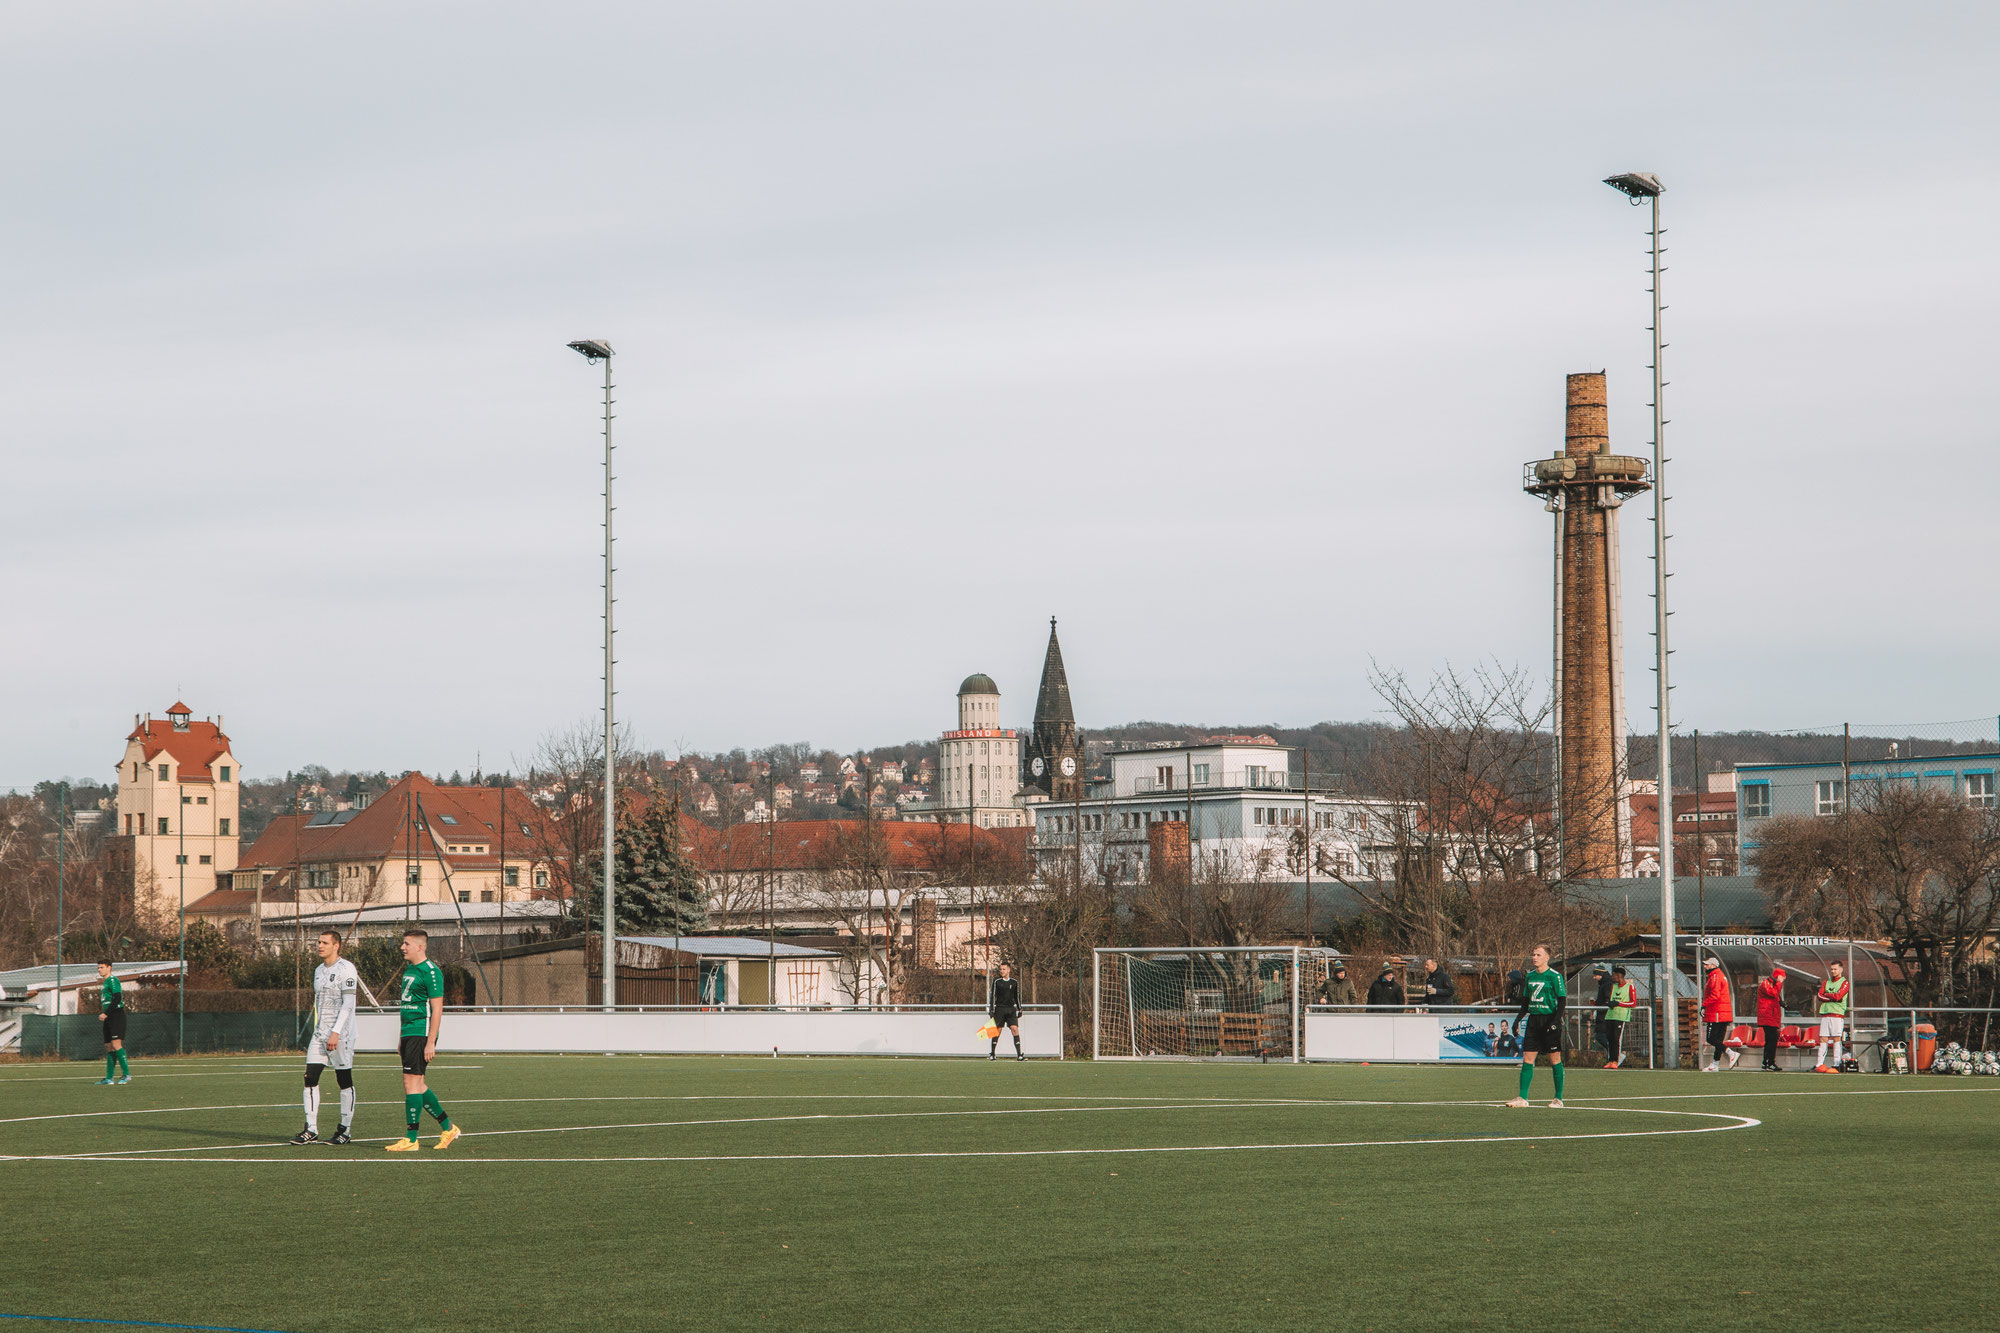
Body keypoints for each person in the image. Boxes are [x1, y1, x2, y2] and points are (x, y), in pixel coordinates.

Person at [388, 929, 460, 1152]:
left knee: (411, 1083)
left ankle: (411, 1139)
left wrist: (431, 1041)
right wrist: (401, 1036)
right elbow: (405, 1007)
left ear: (419, 947)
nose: (402, 947)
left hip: (421, 1032)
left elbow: (437, 1009)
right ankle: (449, 1128)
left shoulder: (431, 972)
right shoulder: (410, 969)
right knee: (417, 1084)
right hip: (409, 1033)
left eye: (406, 944)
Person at [292, 930, 359, 1146]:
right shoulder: (318, 970)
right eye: (319, 942)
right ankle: (311, 1129)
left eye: (325, 942)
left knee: (343, 1080)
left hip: (341, 1033)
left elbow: (348, 1004)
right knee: (310, 1077)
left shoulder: (346, 969)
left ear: (336, 946)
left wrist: (336, 1031)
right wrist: (320, 1030)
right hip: (320, 1033)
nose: (320, 945)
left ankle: (345, 1130)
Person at [1505, 944, 1567, 1108]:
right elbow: (1526, 1001)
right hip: (1533, 1020)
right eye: (1533, 954)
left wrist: (1555, 1021)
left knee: (1554, 1059)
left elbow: (1561, 1000)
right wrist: (1518, 1019)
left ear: (1547, 957)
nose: (1534, 957)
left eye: (1538, 955)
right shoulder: (1530, 976)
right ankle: (1523, 1098)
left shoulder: (1555, 976)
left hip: (1549, 1020)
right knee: (1527, 1058)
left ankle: (1558, 1098)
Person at [95, 961, 129, 1086]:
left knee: (116, 1044)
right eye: (98, 967)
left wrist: (106, 1013)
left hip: (116, 1015)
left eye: (102, 967)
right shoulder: (105, 983)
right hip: (109, 1016)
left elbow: (117, 998)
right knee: (108, 1046)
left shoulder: (113, 980)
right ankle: (109, 1078)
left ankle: (126, 1074)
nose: (99, 970)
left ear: (109, 968)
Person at [1701, 956, 1738, 1071]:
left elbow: (1715, 995)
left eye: (1707, 964)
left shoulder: (1715, 976)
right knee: (1718, 1040)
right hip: (1723, 1012)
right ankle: (1715, 1065)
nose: (1705, 966)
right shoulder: (1719, 975)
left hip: (1717, 1012)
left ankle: (1731, 1053)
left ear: (1713, 965)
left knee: (1711, 1038)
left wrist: (1704, 1005)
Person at [1813, 961, 1850, 1073]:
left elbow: (1838, 996)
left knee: (1836, 1039)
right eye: (1832, 969)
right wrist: (1832, 997)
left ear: (1841, 969)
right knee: (1823, 1038)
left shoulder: (1845, 983)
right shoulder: (1827, 981)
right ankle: (1819, 1064)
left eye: (1835, 969)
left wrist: (1827, 995)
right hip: (1825, 1013)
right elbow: (1819, 995)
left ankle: (1836, 1064)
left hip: (1837, 1014)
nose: (1833, 971)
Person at [988, 962, 1023, 1061]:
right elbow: (993, 996)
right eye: (1001, 969)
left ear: (1009, 970)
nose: (1002, 971)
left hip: (1011, 1009)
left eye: (1004, 969)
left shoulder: (1014, 982)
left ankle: (1019, 1054)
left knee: (1015, 1029)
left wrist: (1020, 1008)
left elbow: (1016, 996)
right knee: (997, 1031)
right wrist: (991, 1010)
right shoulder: (997, 981)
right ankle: (993, 1053)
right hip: (1000, 1008)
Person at [1756, 965, 1788, 1071]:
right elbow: (1774, 993)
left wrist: (1782, 1003)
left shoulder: (1771, 984)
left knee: (1772, 1040)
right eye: (1782, 977)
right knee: (1771, 1040)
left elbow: (1776, 997)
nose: (1783, 980)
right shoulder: (1766, 984)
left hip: (1772, 1016)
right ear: (1778, 976)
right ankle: (1768, 1063)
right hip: (1767, 1016)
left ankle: (1767, 1063)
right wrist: (1779, 982)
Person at [1603, 967, 1636, 1069]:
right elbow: (1611, 998)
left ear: (1619, 976)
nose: (1613, 977)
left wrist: (1619, 1003)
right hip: (1610, 1015)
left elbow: (1633, 1003)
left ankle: (1615, 1061)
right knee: (1609, 1038)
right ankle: (1610, 1060)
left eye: (1614, 975)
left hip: (1620, 1016)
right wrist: (1610, 1003)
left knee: (1616, 1038)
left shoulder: (1630, 986)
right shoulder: (1614, 986)